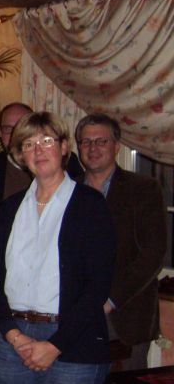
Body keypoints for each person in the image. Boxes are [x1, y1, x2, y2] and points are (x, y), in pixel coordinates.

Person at [0, 111, 115, 384]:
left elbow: (97, 287)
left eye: (46, 141)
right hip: (13, 340)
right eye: (28, 144)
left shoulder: (90, 205)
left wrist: (54, 344)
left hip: (71, 344)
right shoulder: (11, 209)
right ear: (19, 156)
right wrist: (11, 333)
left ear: (63, 148)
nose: (38, 150)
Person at [76, 113, 166, 370]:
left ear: (117, 145)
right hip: (75, 316)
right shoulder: (68, 191)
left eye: (101, 141)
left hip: (124, 316)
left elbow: (153, 255)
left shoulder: (144, 189)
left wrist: (109, 301)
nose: (93, 149)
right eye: (86, 142)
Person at [0, 102, 84, 201]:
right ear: (0, 132)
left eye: (23, 128)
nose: (15, 135)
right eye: (8, 129)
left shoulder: (66, 161)